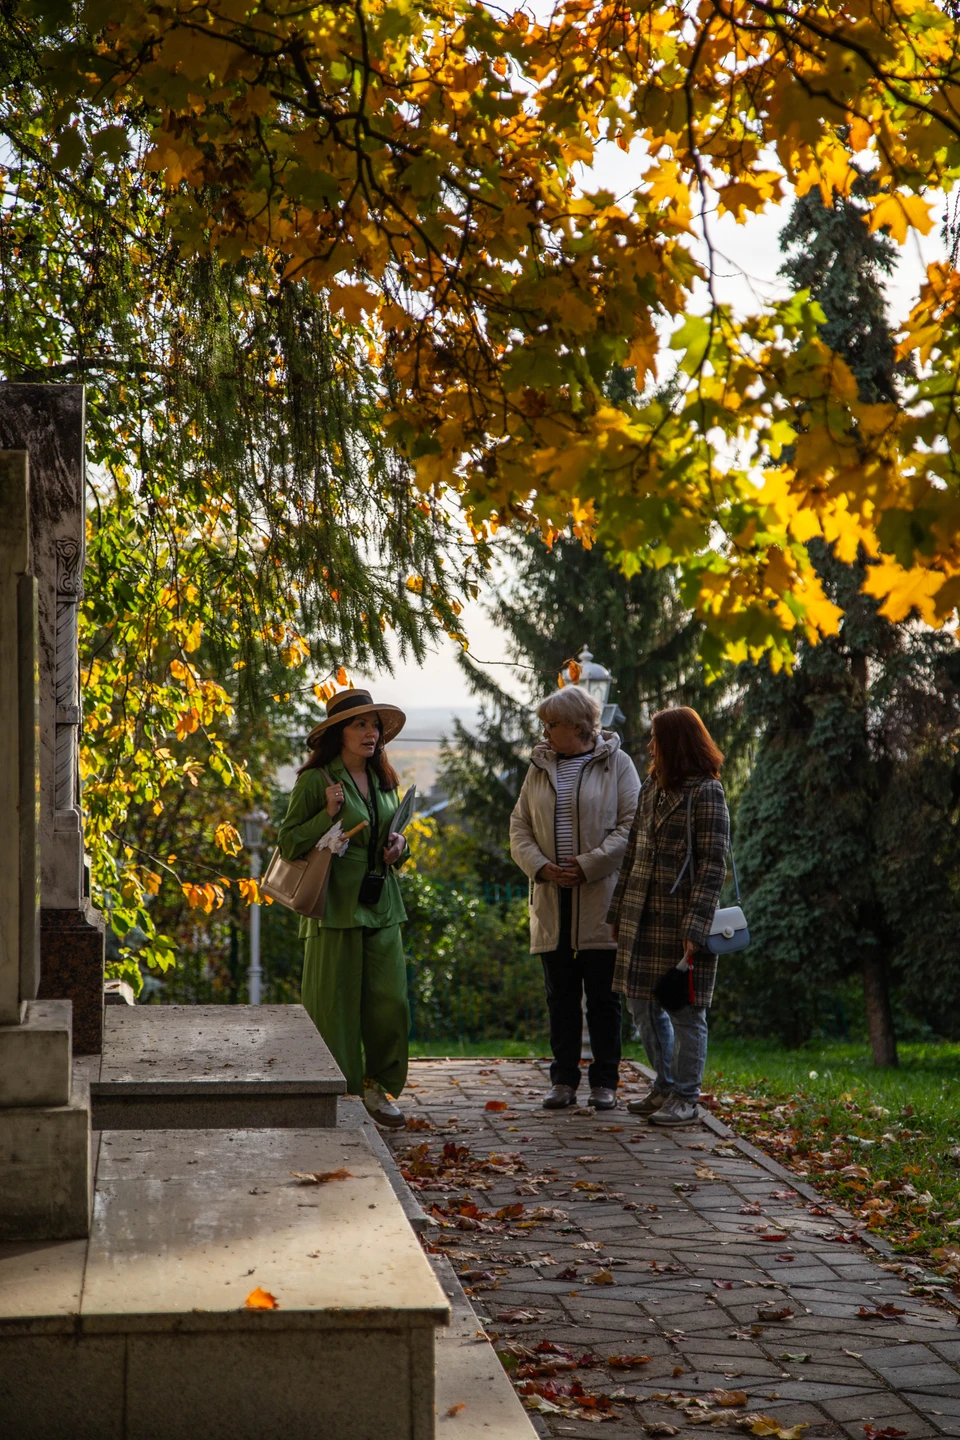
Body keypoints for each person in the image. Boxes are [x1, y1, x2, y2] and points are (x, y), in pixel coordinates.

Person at [277, 688, 410, 1128]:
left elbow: (390, 835)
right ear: (339, 733)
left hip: (382, 903)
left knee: (390, 1004)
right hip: (334, 906)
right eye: (360, 725)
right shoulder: (317, 781)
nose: (371, 733)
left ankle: (378, 1087)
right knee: (335, 1006)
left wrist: (400, 847)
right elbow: (290, 841)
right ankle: (343, 1094)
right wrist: (328, 814)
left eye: (374, 725)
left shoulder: (385, 779)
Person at [510, 686, 641, 1110]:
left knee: (604, 999)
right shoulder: (539, 768)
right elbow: (519, 828)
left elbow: (632, 826)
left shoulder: (618, 764)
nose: (544, 732)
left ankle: (605, 1082)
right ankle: (563, 1080)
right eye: (544, 724)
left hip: (600, 900)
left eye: (552, 725)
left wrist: (586, 865)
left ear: (579, 727)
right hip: (552, 899)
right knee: (560, 996)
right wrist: (543, 867)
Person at [608, 706, 730, 1128]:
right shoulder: (651, 787)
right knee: (641, 1004)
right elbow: (633, 856)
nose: (650, 745)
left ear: (675, 742)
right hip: (640, 918)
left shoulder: (707, 792)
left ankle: (685, 1098)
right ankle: (664, 1084)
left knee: (685, 1011)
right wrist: (617, 911)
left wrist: (696, 928)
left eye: (657, 738)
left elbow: (714, 866)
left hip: (680, 924)